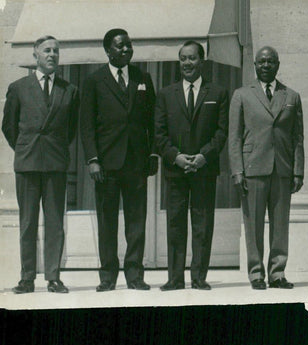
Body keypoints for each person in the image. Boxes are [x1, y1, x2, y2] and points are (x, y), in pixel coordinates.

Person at [80, 28, 158, 292]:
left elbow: (152, 120)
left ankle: (135, 275)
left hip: (136, 162)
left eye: (129, 45)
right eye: (120, 45)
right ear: (108, 50)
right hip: (106, 164)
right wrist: (93, 159)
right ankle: (107, 276)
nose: (127, 49)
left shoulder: (142, 77)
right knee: (107, 221)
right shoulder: (94, 81)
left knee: (137, 221)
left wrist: (153, 153)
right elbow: (86, 125)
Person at [2, 35, 79, 294]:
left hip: (56, 163)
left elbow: (70, 131)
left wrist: (53, 149)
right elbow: (9, 126)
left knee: (56, 223)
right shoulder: (18, 87)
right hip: (28, 163)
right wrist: (25, 148)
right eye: (47, 50)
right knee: (28, 223)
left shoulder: (69, 90)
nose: (52, 55)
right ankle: (27, 277)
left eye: (56, 51)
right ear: (35, 55)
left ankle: (53, 277)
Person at [154, 41, 229, 291]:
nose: (187, 63)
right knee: (175, 224)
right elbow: (158, 133)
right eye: (183, 59)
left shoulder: (217, 93)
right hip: (175, 170)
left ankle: (199, 277)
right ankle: (175, 279)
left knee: (202, 224)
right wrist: (174, 156)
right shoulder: (166, 94)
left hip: (204, 169)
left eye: (192, 58)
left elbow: (222, 131)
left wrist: (203, 156)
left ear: (202, 61)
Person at [229, 46, 304, 290]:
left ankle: (277, 273)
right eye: (261, 61)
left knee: (280, 225)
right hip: (253, 169)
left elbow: (297, 138)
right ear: (255, 65)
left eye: (271, 61)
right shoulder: (242, 95)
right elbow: (235, 138)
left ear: (278, 65)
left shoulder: (291, 96)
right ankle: (256, 274)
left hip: (282, 168)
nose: (266, 65)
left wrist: (298, 170)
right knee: (253, 226)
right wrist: (237, 171)